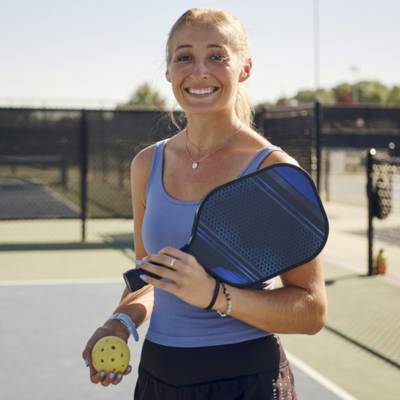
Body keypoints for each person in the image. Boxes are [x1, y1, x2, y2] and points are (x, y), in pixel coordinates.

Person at [82, 8, 328, 400]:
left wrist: (216, 296)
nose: (199, 71)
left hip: (247, 380)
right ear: (168, 71)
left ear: (244, 68)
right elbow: (152, 278)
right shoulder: (147, 164)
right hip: (159, 376)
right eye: (184, 57)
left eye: (216, 56)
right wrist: (120, 322)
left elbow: (312, 310)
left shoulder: (274, 171)